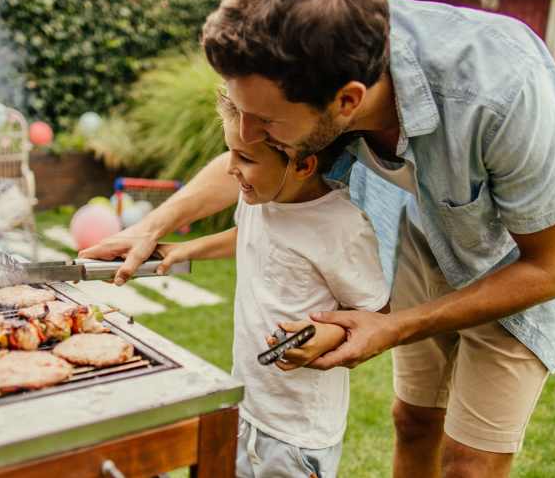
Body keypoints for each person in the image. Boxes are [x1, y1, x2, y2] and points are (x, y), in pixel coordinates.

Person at [81, 0, 555, 478]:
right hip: (422, 226)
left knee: (467, 464)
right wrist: (154, 224)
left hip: (517, 258)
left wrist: (394, 327)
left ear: (347, 102)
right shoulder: (319, 54)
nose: (248, 136)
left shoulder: (500, 89)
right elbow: (249, 155)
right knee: (414, 420)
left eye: (267, 124)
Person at [156, 92, 388, 478]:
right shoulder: (259, 198)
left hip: (297, 431)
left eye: (245, 158)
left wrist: (328, 334)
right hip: (248, 404)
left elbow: (376, 312)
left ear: (303, 164)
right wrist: (185, 250)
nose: (231, 169)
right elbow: (250, 237)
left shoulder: (341, 227)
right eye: (231, 152)